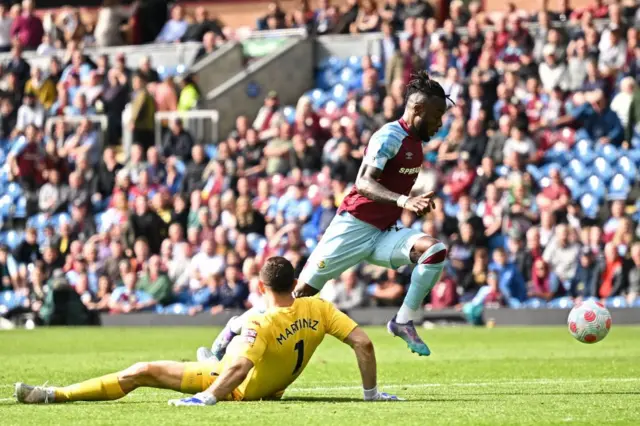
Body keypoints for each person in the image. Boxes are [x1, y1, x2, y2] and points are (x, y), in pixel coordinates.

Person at [206, 72, 449, 359]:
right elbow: (363, 183)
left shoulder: (415, 143)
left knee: (434, 250)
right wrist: (404, 200)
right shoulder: (389, 136)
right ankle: (232, 330)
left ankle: (403, 320)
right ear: (418, 109)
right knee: (293, 301)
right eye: (436, 116)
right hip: (353, 227)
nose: (439, 124)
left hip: (382, 231)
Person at [15, 257, 400, 405]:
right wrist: (371, 395)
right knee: (232, 336)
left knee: (140, 371)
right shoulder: (319, 307)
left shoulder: (260, 321)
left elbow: (241, 369)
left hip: (231, 384)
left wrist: (208, 397)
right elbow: (363, 343)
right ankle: (214, 353)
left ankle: (54, 395)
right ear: (295, 281)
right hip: (271, 383)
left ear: (262, 286)